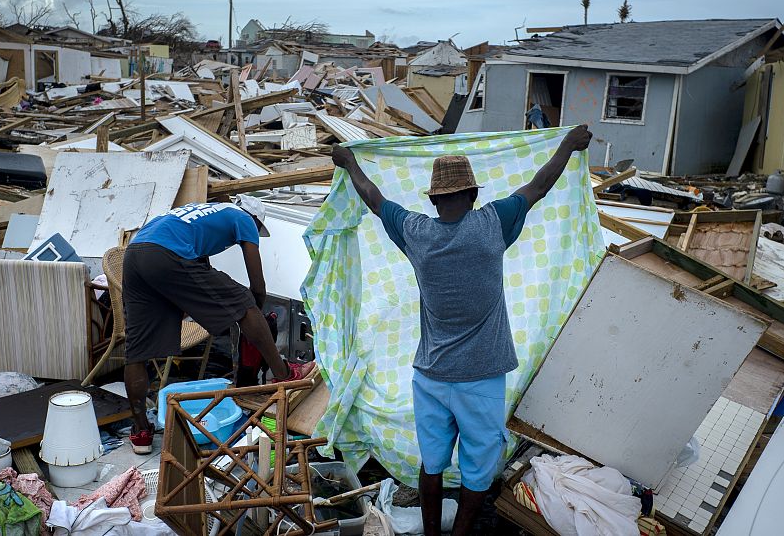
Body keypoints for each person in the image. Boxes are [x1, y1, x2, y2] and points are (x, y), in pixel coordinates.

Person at [330, 125, 593, 536]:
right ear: (472, 196)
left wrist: (349, 163)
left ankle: (432, 534)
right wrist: (568, 146)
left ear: (434, 200)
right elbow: (538, 186)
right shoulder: (492, 224)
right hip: (482, 377)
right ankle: (462, 534)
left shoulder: (416, 233)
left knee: (431, 463)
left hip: (431, 376)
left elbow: (376, 200)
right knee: (478, 466)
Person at [121, 196, 315, 454]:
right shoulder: (244, 218)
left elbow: (200, 280)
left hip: (135, 254)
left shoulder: (200, 211)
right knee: (244, 301)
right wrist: (253, 308)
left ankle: (141, 431)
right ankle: (285, 373)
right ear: (255, 219)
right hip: (165, 253)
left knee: (136, 349)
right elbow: (256, 282)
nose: (255, 234)